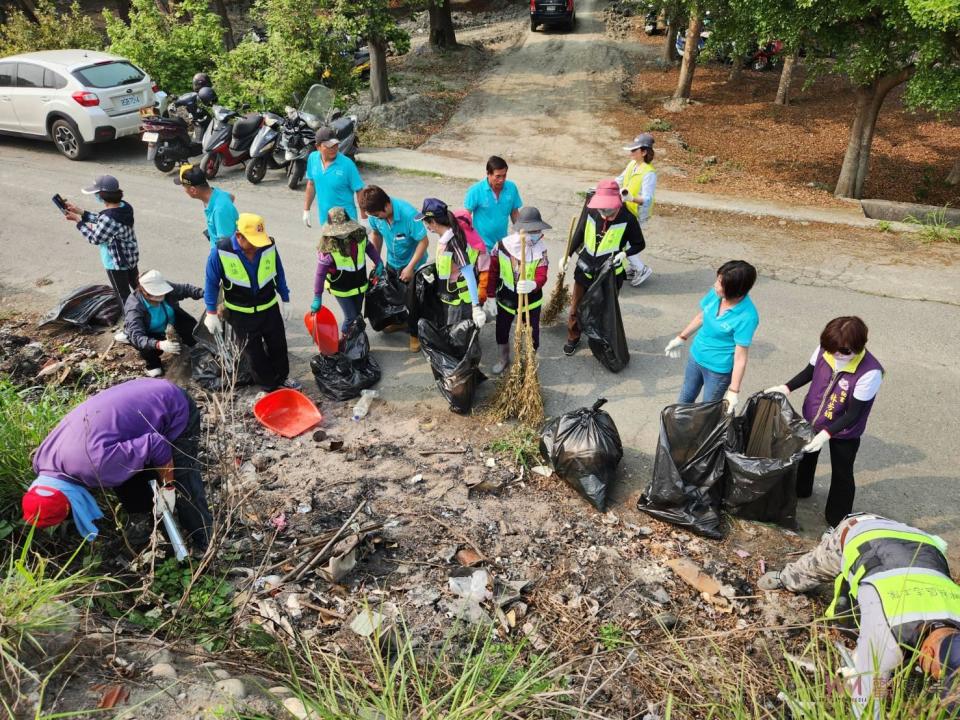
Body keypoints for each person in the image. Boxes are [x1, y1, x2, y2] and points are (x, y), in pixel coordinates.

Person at [758, 513, 960, 718]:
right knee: (807, 574)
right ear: (931, 654)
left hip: (922, 543)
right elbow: (866, 707)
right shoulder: (887, 636)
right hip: (859, 531)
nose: (935, 679)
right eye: (937, 675)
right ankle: (782, 577)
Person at [21, 379, 212, 552]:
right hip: (134, 396)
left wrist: (168, 487)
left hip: (169, 405)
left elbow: (157, 443)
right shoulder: (42, 462)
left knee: (182, 481)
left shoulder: (95, 465)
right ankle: (145, 521)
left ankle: (205, 540)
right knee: (120, 474)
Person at [765, 316, 883, 527]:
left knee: (842, 471)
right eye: (832, 349)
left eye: (845, 351)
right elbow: (809, 372)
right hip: (815, 416)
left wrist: (826, 434)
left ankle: (837, 517)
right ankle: (801, 490)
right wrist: (786, 387)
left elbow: (853, 413)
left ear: (859, 345)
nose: (837, 354)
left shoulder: (870, 372)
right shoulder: (824, 350)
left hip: (845, 430)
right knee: (806, 456)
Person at [203, 213, 298, 391]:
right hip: (241, 313)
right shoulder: (220, 252)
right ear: (239, 236)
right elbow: (211, 283)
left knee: (278, 345)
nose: (257, 246)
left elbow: (279, 272)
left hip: (269, 307)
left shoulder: (267, 245)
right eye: (253, 241)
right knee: (254, 353)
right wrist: (211, 313)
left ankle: (282, 377)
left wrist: (285, 298)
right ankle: (268, 386)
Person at [561, 179, 645, 357]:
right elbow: (580, 232)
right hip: (585, 268)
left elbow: (639, 243)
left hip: (610, 275)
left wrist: (625, 253)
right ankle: (573, 335)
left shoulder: (628, 218)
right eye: (602, 210)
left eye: (609, 210)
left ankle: (598, 339)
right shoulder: (591, 210)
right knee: (576, 306)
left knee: (603, 310)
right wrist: (567, 255)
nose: (605, 214)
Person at [664, 260, 759, 414]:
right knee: (684, 400)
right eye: (717, 280)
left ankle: (701, 437)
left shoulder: (747, 316)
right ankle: (678, 434)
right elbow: (702, 317)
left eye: (721, 283)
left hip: (718, 371)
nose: (715, 285)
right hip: (696, 357)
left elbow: (740, 356)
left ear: (736, 290)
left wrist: (733, 391)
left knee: (706, 411)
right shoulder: (716, 294)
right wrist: (681, 338)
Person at [63, 175, 139, 343]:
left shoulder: (109, 218)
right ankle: (149, 317)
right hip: (130, 258)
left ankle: (132, 331)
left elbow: (95, 238)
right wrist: (81, 212)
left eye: (96, 193)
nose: (95, 196)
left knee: (124, 298)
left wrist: (78, 221)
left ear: (103, 195)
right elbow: (102, 219)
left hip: (116, 263)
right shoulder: (125, 207)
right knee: (139, 289)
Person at [358, 186, 429, 348]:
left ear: (387, 205)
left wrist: (410, 267)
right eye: (374, 216)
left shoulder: (409, 214)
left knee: (414, 302)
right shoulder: (376, 216)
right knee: (394, 297)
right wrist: (377, 261)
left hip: (414, 264)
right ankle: (401, 322)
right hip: (393, 262)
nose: (377, 218)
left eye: (378, 215)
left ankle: (415, 335)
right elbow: (376, 234)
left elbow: (424, 241)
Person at [485, 207, 550, 374]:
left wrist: (534, 284)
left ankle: (528, 361)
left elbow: (542, 274)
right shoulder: (502, 246)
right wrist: (490, 296)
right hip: (506, 297)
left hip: (531, 300)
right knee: (502, 329)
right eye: (532, 231)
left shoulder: (541, 249)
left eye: (538, 230)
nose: (536, 234)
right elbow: (492, 272)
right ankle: (503, 358)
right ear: (520, 230)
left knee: (531, 332)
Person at [415, 198, 487, 329]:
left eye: (426, 223)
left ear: (434, 222)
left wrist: (476, 307)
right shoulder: (445, 237)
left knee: (459, 337)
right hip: (451, 297)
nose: (426, 227)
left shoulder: (453, 242)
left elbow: (469, 273)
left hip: (460, 301)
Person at [311, 207, 385, 333]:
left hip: (359, 286)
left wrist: (378, 262)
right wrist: (317, 296)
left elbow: (370, 249)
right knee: (351, 318)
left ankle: (357, 343)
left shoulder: (360, 237)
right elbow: (320, 274)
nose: (342, 233)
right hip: (341, 289)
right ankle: (346, 343)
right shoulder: (328, 249)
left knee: (357, 316)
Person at [124, 270, 203, 378]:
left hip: (172, 322)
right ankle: (153, 364)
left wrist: (205, 294)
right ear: (145, 292)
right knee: (147, 349)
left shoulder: (167, 288)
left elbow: (186, 289)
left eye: (162, 292)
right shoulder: (134, 306)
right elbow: (137, 337)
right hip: (151, 333)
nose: (161, 295)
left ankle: (192, 346)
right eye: (156, 293)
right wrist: (159, 344)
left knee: (192, 331)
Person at [302, 128, 365, 229]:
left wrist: (364, 218)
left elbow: (359, 190)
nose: (334, 149)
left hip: (347, 221)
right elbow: (311, 184)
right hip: (326, 220)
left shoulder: (347, 164)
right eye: (329, 146)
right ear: (318, 147)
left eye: (335, 145)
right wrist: (306, 209)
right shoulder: (313, 159)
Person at [617, 133, 657, 286]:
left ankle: (641, 269)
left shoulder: (649, 173)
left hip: (637, 214)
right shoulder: (631, 165)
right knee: (625, 241)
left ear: (644, 152)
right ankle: (634, 267)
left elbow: (647, 198)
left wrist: (631, 198)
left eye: (634, 150)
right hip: (626, 211)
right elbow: (620, 180)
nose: (631, 153)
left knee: (627, 244)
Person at [464, 156, 523, 253]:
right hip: (481, 247)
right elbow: (466, 217)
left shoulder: (511, 188)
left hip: (502, 245)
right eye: (498, 176)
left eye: (504, 175)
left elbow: (514, 213)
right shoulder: (475, 191)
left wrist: (522, 234)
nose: (501, 180)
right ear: (488, 174)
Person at [174, 163, 239, 249]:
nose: (184, 190)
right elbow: (231, 197)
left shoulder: (219, 210)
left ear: (193, 190)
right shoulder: (214, 193)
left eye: (184, 187)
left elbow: (226, 246)